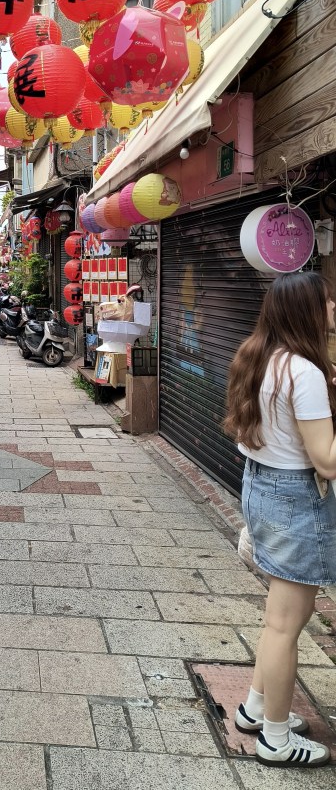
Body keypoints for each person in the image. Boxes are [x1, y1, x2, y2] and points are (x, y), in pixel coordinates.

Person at [224, 271, 336, 768]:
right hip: (294, 499)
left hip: (262, 487)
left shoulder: (260, 355)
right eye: (328, 301)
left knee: (278, 620)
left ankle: (255, 709)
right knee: (285, 626)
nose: (333, 308)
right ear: (307, 310)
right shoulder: (303, 372)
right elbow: (327, 460)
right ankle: (275, 739)